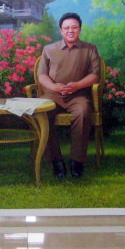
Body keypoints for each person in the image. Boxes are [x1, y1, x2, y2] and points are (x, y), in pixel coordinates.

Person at [37, 12, 101, 178]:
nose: (70, 31)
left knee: (83, 112)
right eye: (66, 28)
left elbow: (95, 75)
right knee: (43, 113)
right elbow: (42, 75)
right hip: (53, 94)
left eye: (74, 27)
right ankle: (56, 162)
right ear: (61, 30)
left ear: (80, 29)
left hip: (78, 95)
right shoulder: (49, 49)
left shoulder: (90, 48)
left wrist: (77, 85)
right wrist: (55, 87)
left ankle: (77, 162)